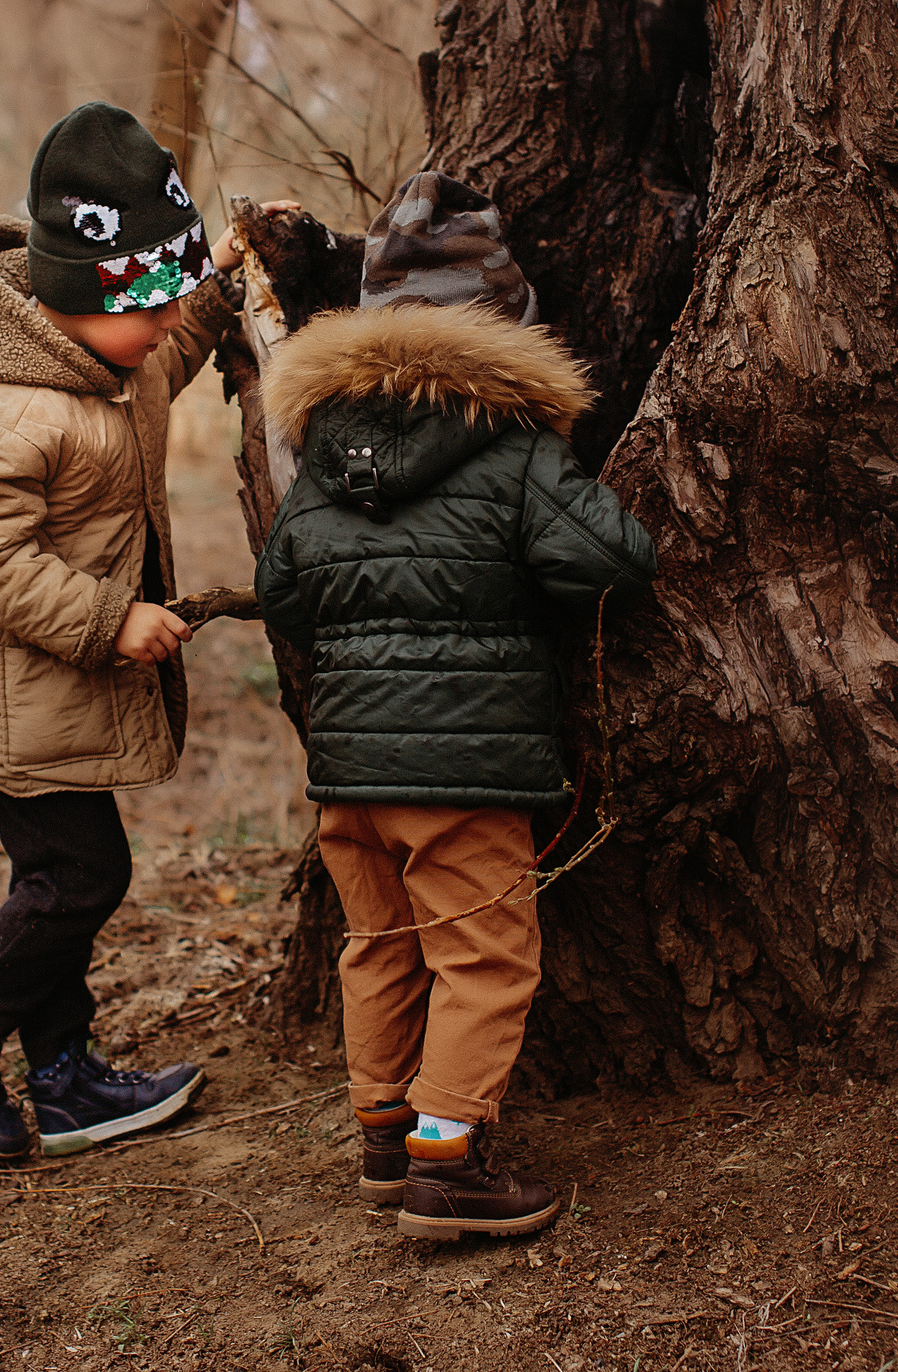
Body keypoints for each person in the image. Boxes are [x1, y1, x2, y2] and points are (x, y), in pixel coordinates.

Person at [254, 172, 656, 1239]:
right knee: (482, 955)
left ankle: (384, 1135)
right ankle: (450, 1162)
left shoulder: (324, 452)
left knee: (378, 940)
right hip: (467, 766)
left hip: (348, 771)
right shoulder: (516, 448)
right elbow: (615, 560)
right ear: (507, 330)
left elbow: (281, 594)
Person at [0, 101, 242, 1159]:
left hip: (59, 690)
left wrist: (220, 284)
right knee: (77, 881)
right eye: (154, 310)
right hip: (20, 694)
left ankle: (64, 1076)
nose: (164, 331)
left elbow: (167, 362)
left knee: (62, 881)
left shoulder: (106, 363)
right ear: (79, 303)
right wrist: (107, 618)